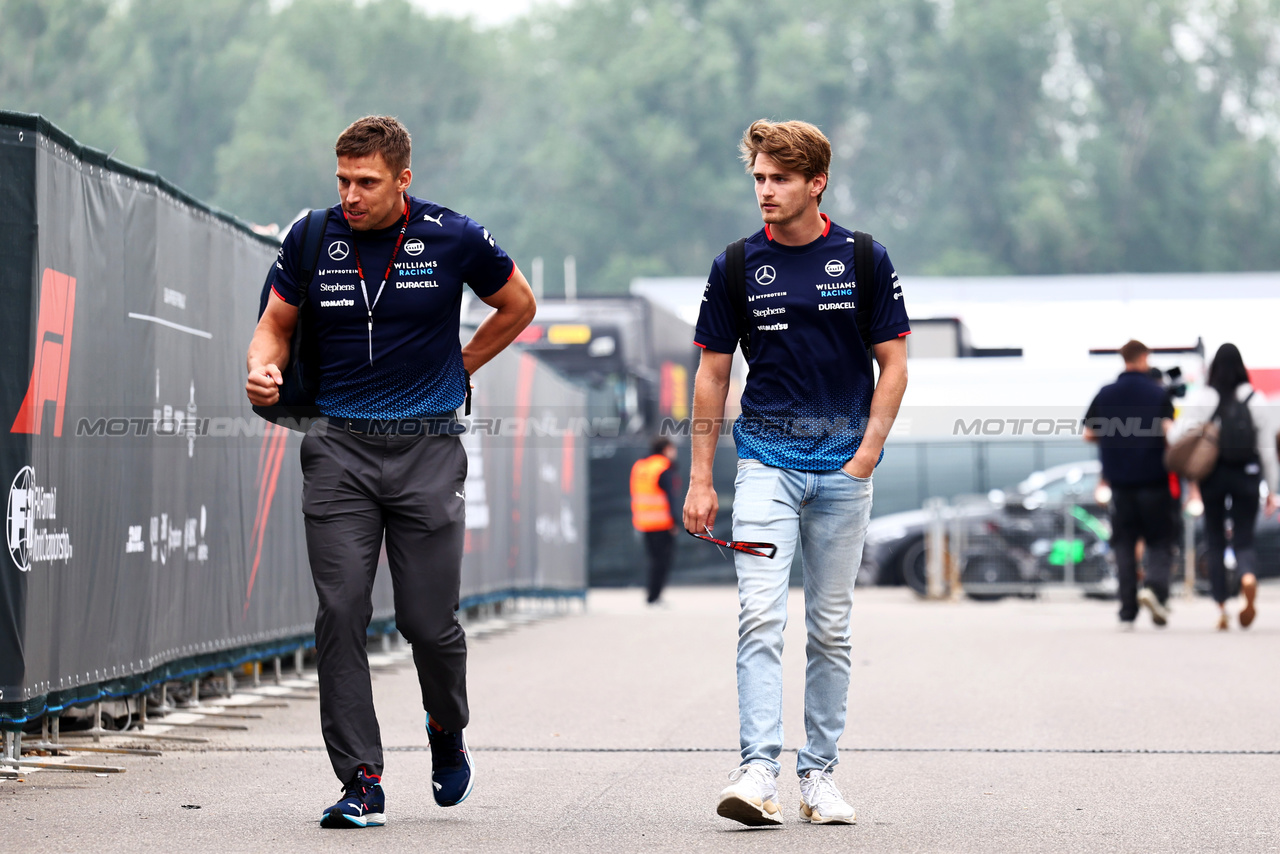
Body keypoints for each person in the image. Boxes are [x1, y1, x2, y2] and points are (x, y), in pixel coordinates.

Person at [245, 116, 536, 828]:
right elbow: (276, 323)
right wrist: (261, 363)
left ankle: (446, 728)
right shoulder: (311, 237)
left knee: (428, 623)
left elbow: (518, 305)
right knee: (342, 612)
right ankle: (361, 781)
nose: (351, 194)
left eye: (366, 182)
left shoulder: (453, 235)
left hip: (427, 448)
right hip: (337, 447)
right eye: (342, 179)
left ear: (403, 179)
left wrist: (460, 366)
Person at [683, 119, 909, 827]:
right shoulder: (736, 266)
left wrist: (867, 451)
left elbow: (895, 364)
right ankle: (756, 772)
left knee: (831, 628)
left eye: (779, 178)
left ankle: (819, 777)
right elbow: (712, 375)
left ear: (816, 182)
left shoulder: (865, 258)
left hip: (845, 471)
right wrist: (699, 477)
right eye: (758, 178)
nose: (766, 191)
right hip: (765, 467)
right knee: (758, 615)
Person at [1169, 343, 1278, 630]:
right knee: (1243, 538)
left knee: (1215, 539)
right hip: (1247, 474)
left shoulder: (1203, 397)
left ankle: (1221, 608)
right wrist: (1272, 491)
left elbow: (1178, 436)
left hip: (1212, 477)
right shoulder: (1257, 400)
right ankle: (1247, 577)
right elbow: (1268, 451)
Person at [1083, 340, 1177, 629]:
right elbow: (1170, 435)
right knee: (1161, 542)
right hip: (1155, 482)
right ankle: (1154, 588)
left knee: (1124, 545)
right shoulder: (1157, 393)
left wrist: (1114, 440)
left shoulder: (1105, 394)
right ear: (1144, 357)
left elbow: (1088, 434)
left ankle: (1127, 612)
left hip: (1120, 485)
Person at [630, 437, 680, 604]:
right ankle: (654, 596)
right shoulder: (662, 468)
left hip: (643, 521)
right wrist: (674, 522)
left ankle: (652, 594)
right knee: (662, 561)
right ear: (666, 449)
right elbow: (670, 497)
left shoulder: (640, 466)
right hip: (662, 523)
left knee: (653, 560)